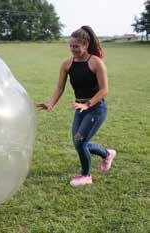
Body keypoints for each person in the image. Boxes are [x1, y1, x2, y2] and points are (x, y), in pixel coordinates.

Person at [36, 25, 116, 187]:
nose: (72, 49)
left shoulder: (96, 62)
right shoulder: (67, 64)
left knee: (80, 142)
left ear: (85, 45)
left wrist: (87, 104)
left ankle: (86, 176)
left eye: (76, 46)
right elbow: (60, 87)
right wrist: (51, 104)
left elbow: (104, 90)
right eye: (71, 46)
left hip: (96, 108)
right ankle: (107, 154)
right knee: (78, 142)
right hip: (80, 108)